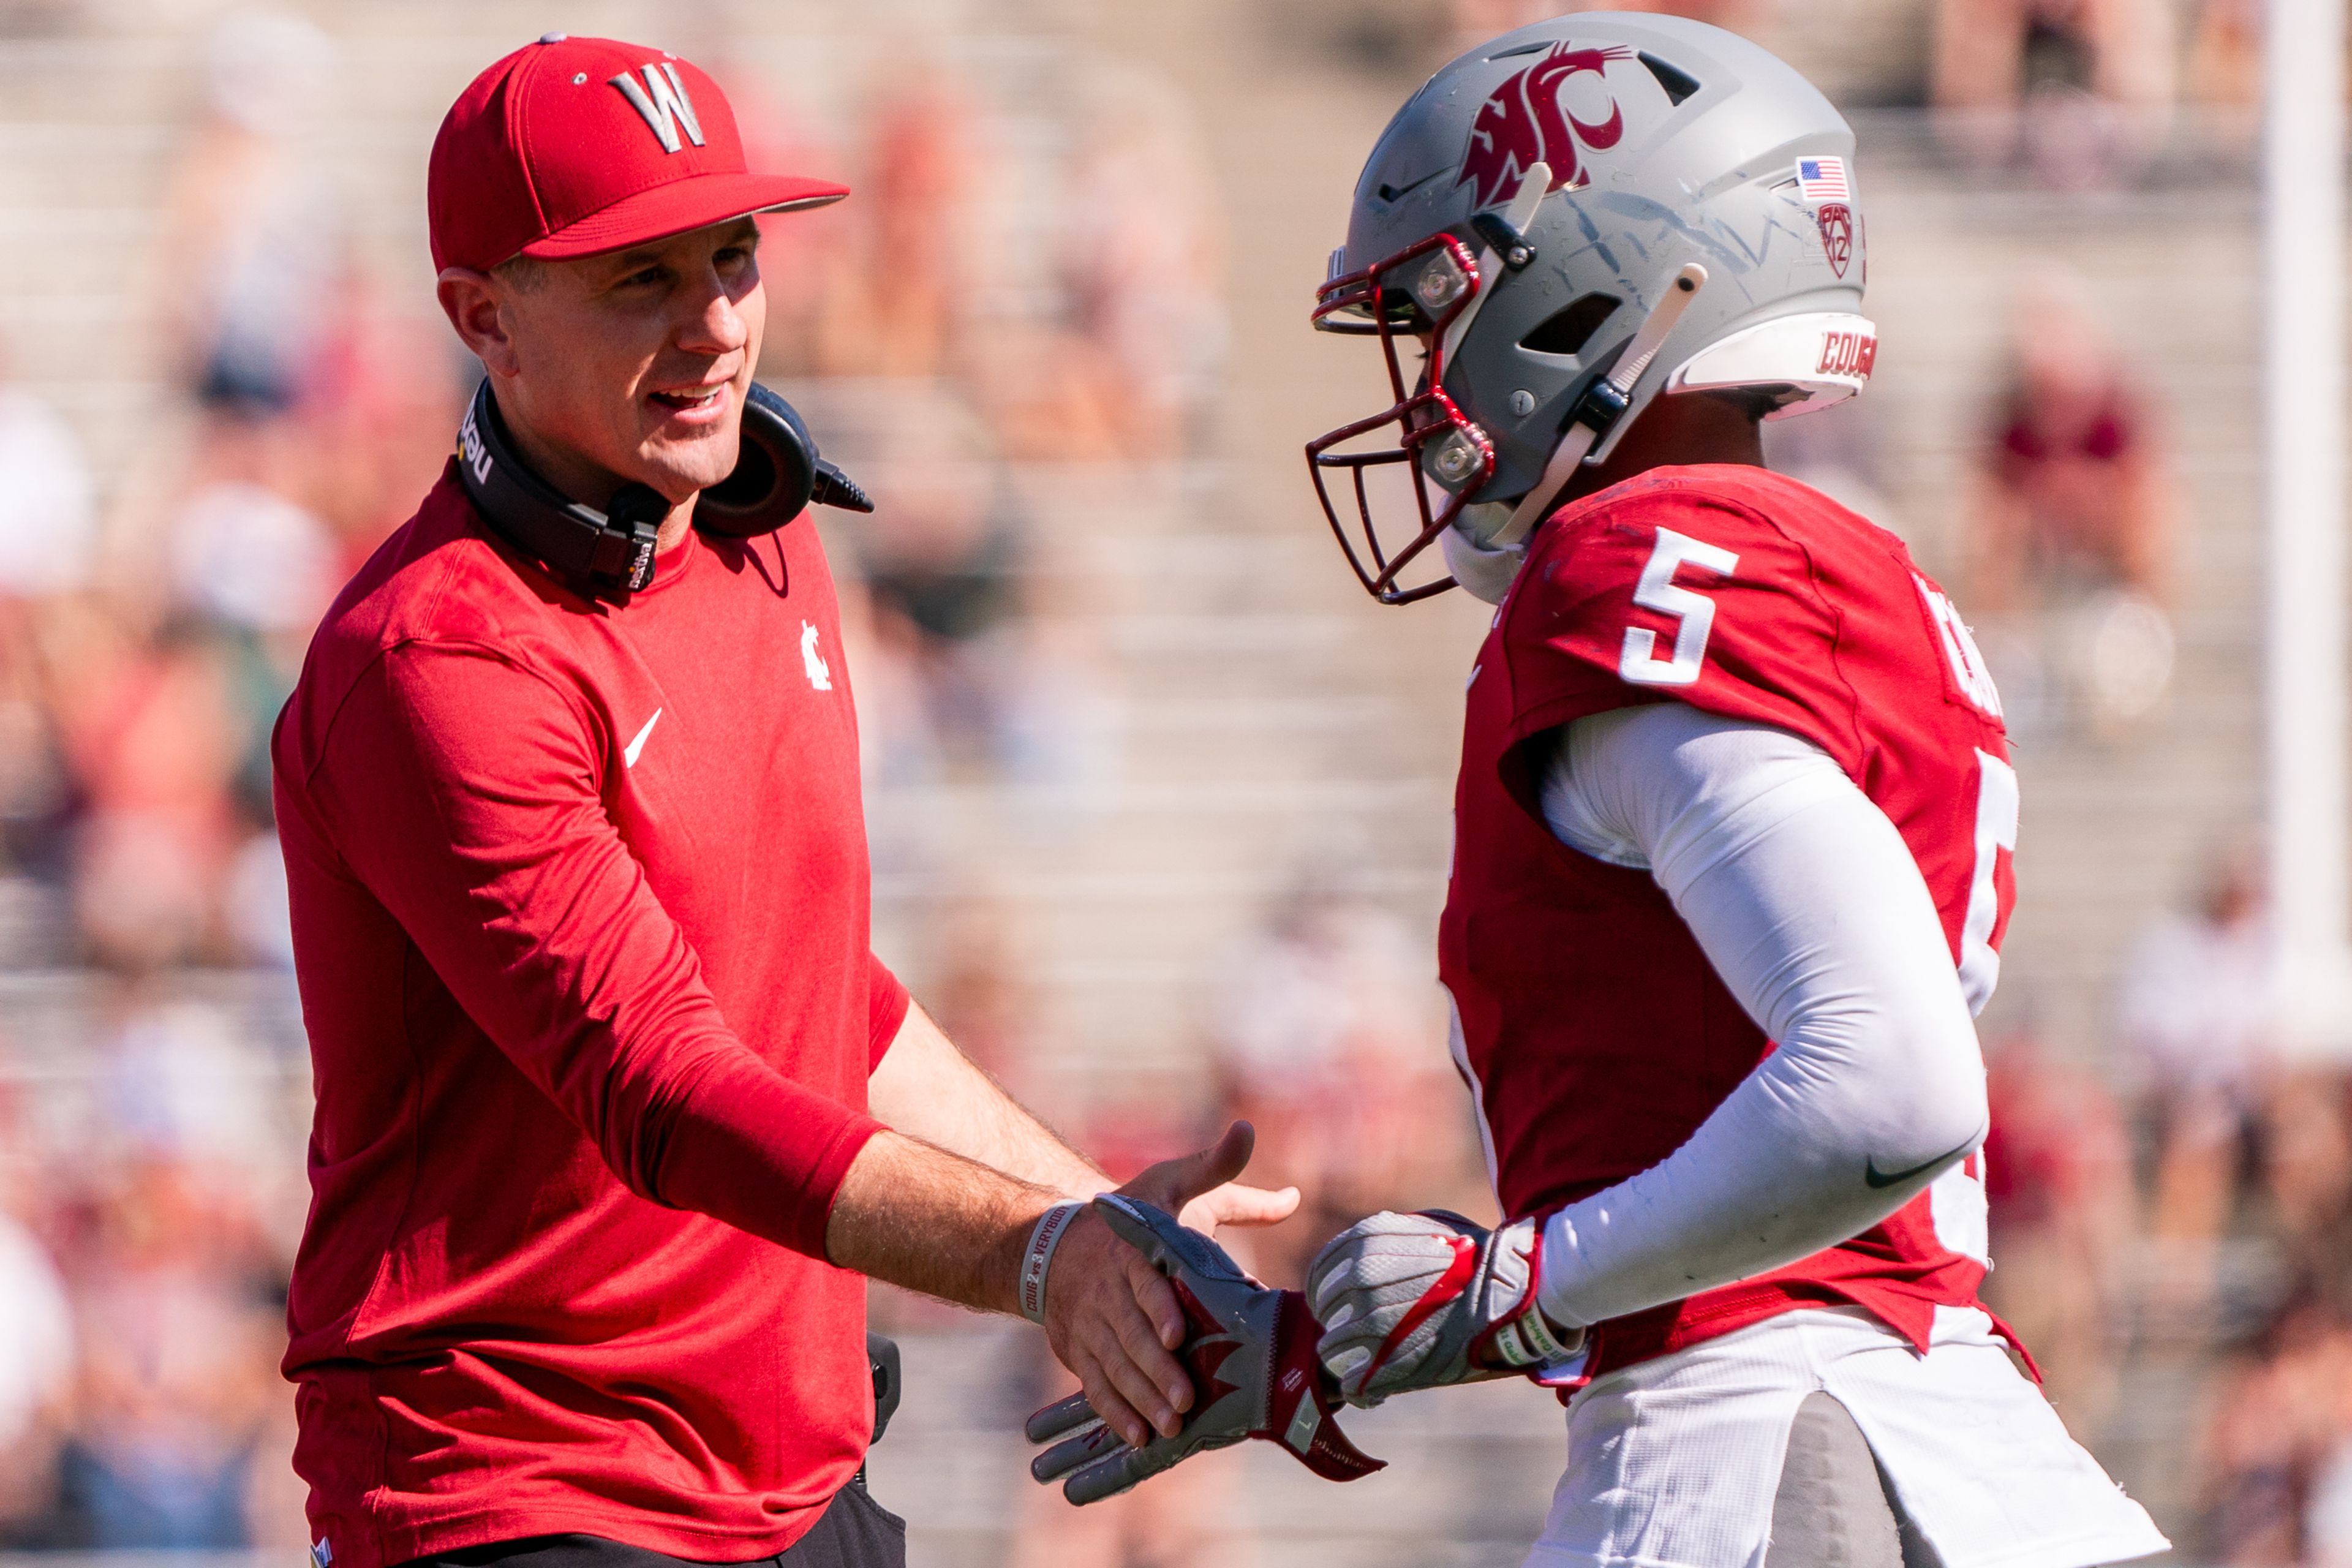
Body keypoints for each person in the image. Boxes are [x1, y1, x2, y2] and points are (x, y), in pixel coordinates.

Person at [1029, 17, 2168, 1567]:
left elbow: (1883, 1081)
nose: (1427, 383)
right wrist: (1356, 1343)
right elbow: (1721, 1114)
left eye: (1441, 311)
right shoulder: (1840, 565)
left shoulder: (1633, 560)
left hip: (1773, 1455)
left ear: (1596, 281)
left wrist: (1515, 1284)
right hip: (1918, 1441)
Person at [270, 36, 1292, 1568]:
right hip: (527, 1492)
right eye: (640, 279)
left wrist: (1107, 1225)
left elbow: (812, 992)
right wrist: (1041, 1257)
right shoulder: (439, 658)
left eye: (733, 258)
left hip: (799, 1478)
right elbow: (665, 1089)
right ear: (483, 316)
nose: (715, 326)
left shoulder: (759, 529)